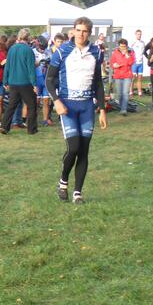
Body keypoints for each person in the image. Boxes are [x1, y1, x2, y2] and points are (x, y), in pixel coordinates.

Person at [47, 17, 107, 204]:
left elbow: (98, 82)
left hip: (87, 106)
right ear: (73, 31)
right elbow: (49, 79)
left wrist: (102, 108)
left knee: (84, 150)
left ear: (90, 33)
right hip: (68, 106)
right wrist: (56, 101)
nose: (81, 34)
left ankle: (77, 193)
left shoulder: (96, 52)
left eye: (85, 31)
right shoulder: (62, 51)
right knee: (73, 147)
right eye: (78, 30)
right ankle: (63, 181)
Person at [0, 28, 38, 135]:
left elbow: (7, 66)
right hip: (25, 82)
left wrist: (5, 81)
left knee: (11, 105)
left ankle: (4, 126)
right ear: (28, 37)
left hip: (13, 82)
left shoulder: (12, 49)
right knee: (32, 105)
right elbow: (31, 69)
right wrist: (34, 84)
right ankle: (31, 129)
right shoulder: (28, 50)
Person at [110, 39, 135, 115]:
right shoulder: (115, 52)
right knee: (119, 93)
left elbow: (131, 62)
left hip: (127, 75)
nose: (122, 48)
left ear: (127, 46)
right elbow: (112, 62)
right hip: (117, 75)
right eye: (121, 46)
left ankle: (124, 109)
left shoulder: (131, 52)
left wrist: (127, 54)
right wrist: (114, 65)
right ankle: (121, 107)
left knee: (125, 92)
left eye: (124, 46)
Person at [34, 37, 53, 126]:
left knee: (46, 101)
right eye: (41, 48)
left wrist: (48, 63)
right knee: (36, 102)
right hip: (37, 79)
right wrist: (38, 63)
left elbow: (53, 64)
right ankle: (34, 119)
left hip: (46, 79)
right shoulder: (33, 51)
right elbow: (30, 65)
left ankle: (45, 120)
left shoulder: (48, 52)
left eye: (44, 48)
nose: (42, 50)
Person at [130, 29, 146, 96]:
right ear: (135, 35)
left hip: (141, 63)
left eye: (140, 34)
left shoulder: (143, 42)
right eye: (138, 34)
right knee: (133, 78)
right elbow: (130, 52)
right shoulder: (133, 42)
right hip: (134, 63)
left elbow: (143, 52)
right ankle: (131, 91)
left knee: (140, 78)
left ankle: (139, 92)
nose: (139, 35)